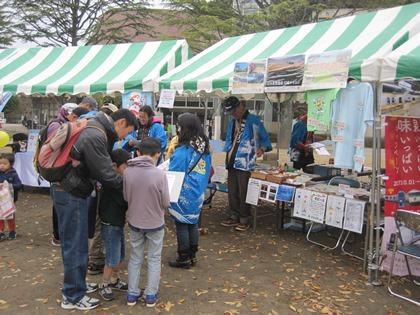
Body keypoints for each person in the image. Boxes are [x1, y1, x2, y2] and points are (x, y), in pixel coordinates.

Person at [51, 109, 138, 311]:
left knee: (74, 241)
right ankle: (72, 296)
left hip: (70, 188)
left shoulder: (95, 127)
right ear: (121, 122)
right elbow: (107, 173)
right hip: (71, 190)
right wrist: (131, 186)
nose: (125, 137)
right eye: (128, 131)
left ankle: (76, 284)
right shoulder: (96, 135)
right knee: (76, 244)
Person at [124, 138, 170, 307]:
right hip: (155, 223)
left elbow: (126, 197)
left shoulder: (128, 172)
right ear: (158, 154)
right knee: (154, 258)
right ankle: (151, 295)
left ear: (138, 152)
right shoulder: (159, 174)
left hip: (135, 220)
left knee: (135, 257)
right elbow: (165, 202)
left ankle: (132, 293)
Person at [220, 96, 272, 232]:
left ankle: (244, 218)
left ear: (240, 106)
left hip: (245, 161)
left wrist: (262, 148)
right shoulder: (232, 121)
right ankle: (233, 215)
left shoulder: (253, 120)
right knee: (232, 190)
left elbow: (265, 139)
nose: (233, 114)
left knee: (244, 191)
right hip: (231, 160)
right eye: (230, 112)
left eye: (233, 111)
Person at [168, 113, 211, 269]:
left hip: (183, 192)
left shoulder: (184, 150)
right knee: (192, 222)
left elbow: (174, 172)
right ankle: (193, 255)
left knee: (181, 224)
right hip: (198, 192)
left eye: (179, 126)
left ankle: (183, 257)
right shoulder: (203, 148)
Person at [87, 102, 119, 273]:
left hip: (91, 187)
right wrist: (123, 185)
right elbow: (103, 168)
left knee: (95, 222)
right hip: (95, 186)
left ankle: (94, 257)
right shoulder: (100, 135)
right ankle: (95, 260)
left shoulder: (94, 128)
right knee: (99, 222)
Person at [47, 103, 85, 247]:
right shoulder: (60, 127)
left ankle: (60, 237)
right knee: (59, 207)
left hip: (60, 173)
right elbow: (55, 148)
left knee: (61, 207)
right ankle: (58, 237)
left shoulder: (64, 125)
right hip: (59, 174)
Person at [98, 149, 131, 301]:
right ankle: (104, 284)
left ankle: (114, 280)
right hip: (110, 224)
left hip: (117, 223)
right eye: (125, 167)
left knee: (119, 254)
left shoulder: (117, 179)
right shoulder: (113, 182)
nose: (128, 170)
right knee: (112, 256)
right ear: (114, 165)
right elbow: (124, 201)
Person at [0, 153, 22, 241]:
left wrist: (9, 186)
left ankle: (12, 231)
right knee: (0, 216)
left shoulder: (13, 174)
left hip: (10, 200)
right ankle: (1, 232)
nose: (1, 165)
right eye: (0, 163)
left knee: (10, 215)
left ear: (11, 164)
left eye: (4, 164)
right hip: (0, 199)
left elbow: (19, 185)